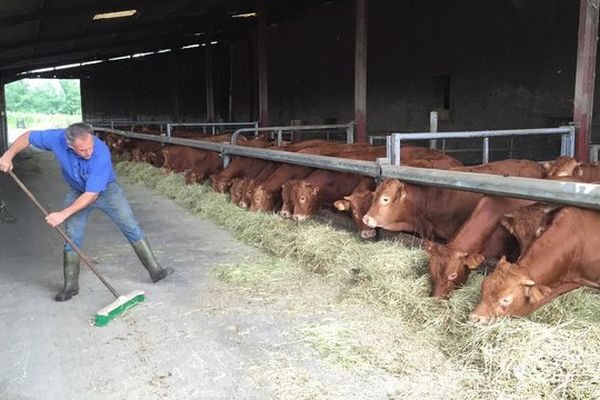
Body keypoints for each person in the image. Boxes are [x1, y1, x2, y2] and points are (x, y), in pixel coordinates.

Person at [0, 123, 173, 301]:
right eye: (83, 150)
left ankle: (155, 270)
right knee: (72, 236)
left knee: (130, 225)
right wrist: (8, 155)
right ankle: (70, 286)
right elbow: (29, 136)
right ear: (69, 145)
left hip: (106, 191)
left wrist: (63, 214)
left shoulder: (100, 152)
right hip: (77, 191)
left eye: (90, 147)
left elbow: (91, 195)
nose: (88, 152)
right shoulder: (57, 138)